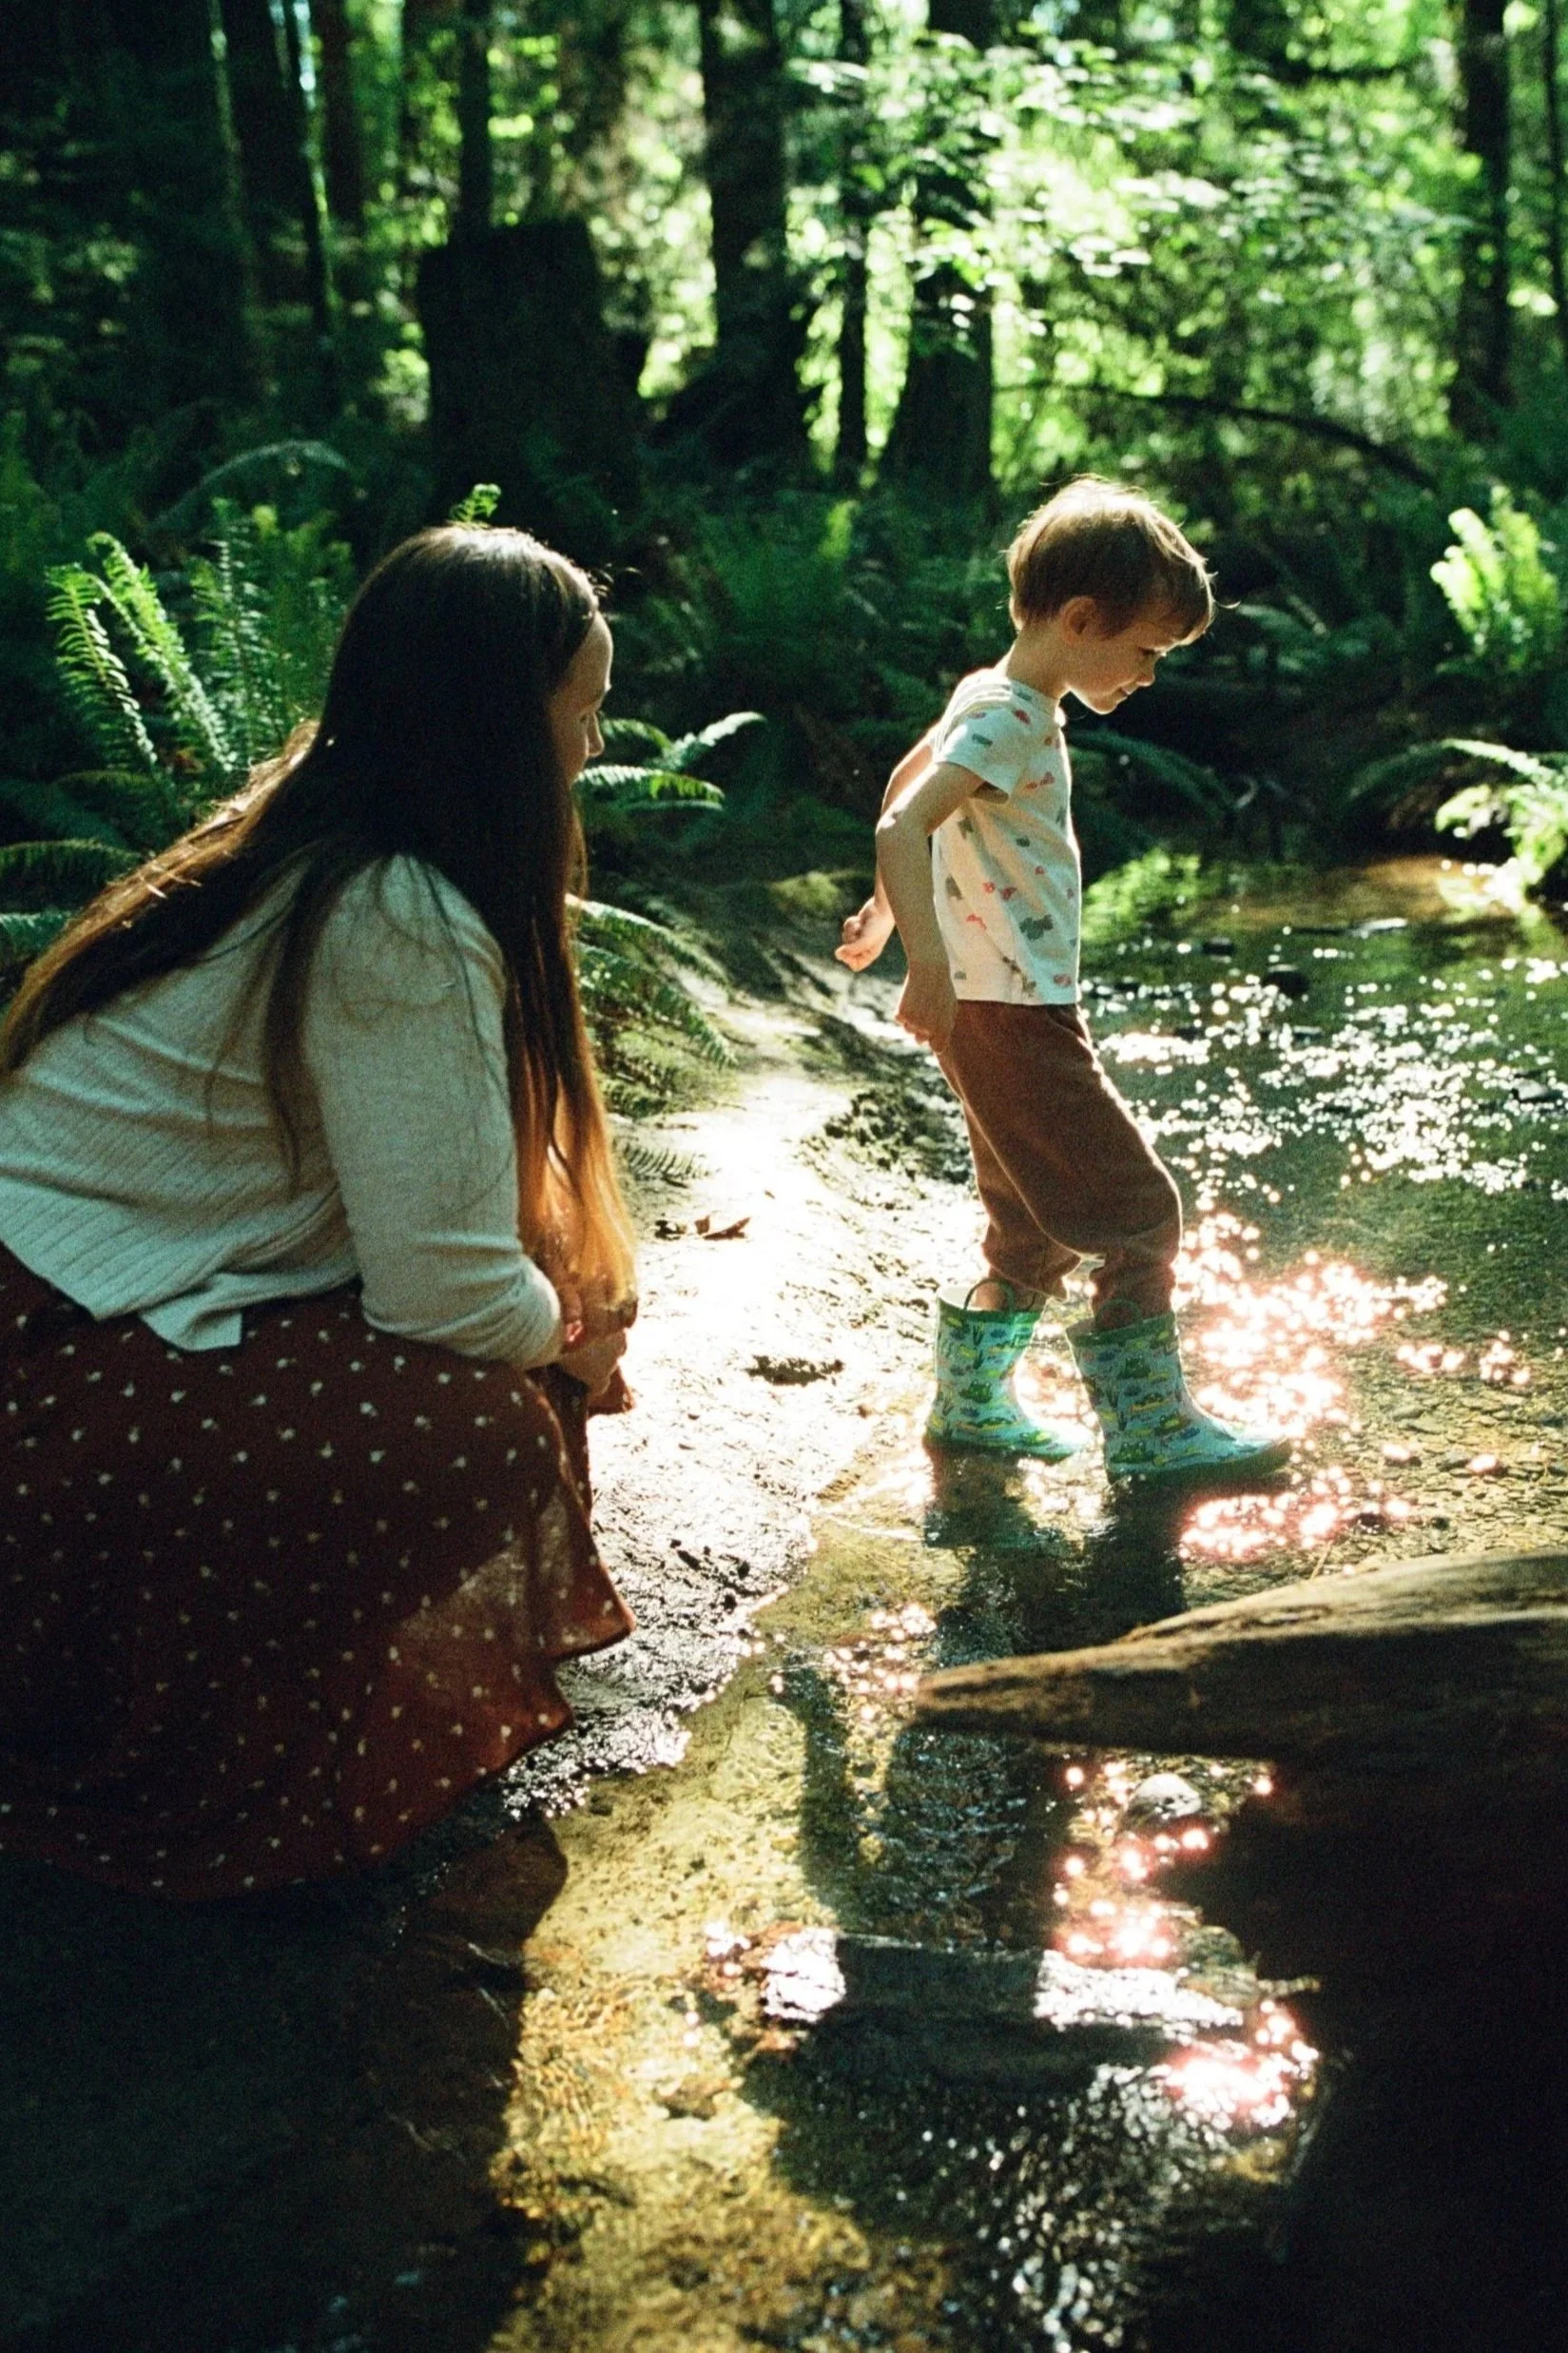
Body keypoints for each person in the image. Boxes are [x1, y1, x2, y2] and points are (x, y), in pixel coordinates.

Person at [0, 524, 641, 1898]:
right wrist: (569, 1340)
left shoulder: (321, 841)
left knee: (529, 1327)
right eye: (578, 714)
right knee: (475, 1430)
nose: (588, 751)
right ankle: (206, 1754)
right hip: (43, 1336)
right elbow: (446, 1294)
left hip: (73, 1286)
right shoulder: (395, 909)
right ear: (493, 724)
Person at [837, 477, 1287, 1485]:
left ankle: (967, 1409)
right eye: (1144, 651)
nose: (1147, 675)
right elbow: (900, 823)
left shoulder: (989, 697)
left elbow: (898, 790)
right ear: (1081, 619)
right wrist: (927, 958)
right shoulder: (1009, 717)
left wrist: (879, 914)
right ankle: (1149, 1427)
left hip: (1001, 1006)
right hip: (1008, 1010)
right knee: (1140, 1213)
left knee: (1030, 1227)